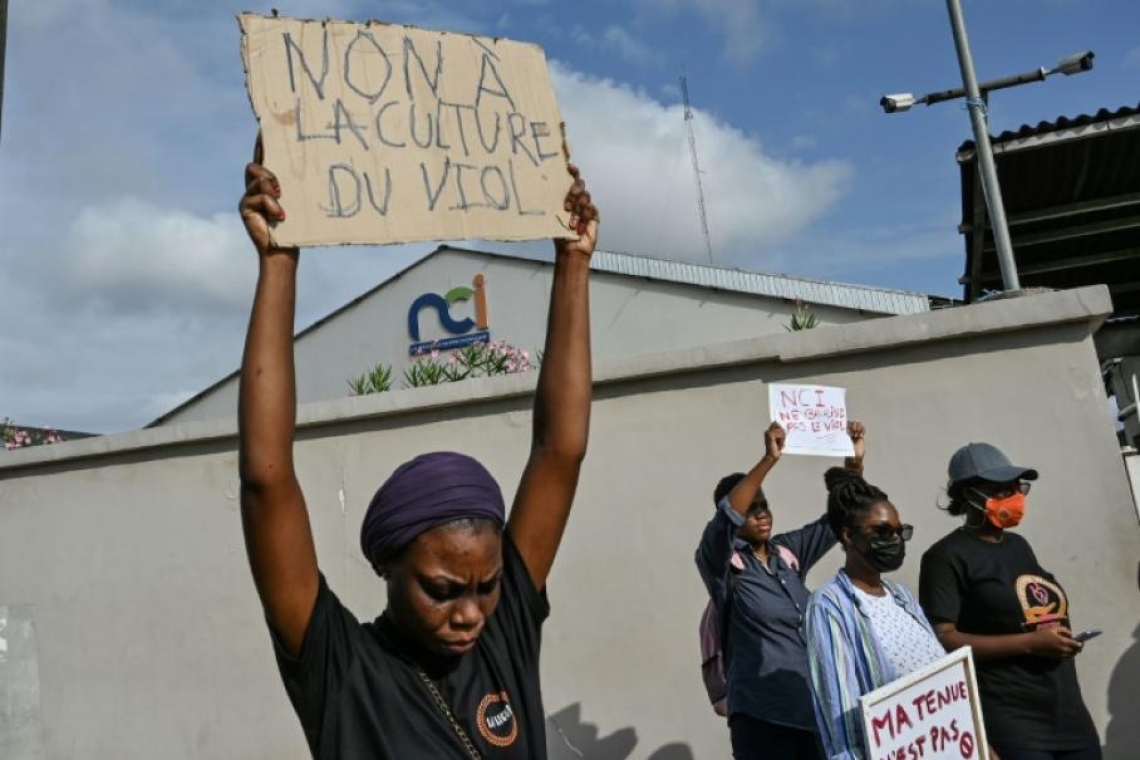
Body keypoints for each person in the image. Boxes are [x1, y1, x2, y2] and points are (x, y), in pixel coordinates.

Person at [236, 142, 599, 759]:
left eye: (486, 586)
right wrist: (278, 265)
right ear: (388, 566)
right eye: (441, 589)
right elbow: (267, 480)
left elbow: (559, 451)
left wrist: (573, 261)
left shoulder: (503, 629)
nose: (471, 613)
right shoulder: (341, 670)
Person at [919, 443, 1101, 760]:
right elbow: (942, 639)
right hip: (1014, 724)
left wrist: (1060, 640)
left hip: (1068, 716)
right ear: (969, 494)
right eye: (1001, 489)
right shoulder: (945, 557)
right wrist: (1030, 643)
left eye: (1017, 487)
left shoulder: (1019, 545)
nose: (1015, 496)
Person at [696, 420, 865, 760]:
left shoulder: (787, 554)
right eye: (750, 508)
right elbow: (727, 517)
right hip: (763, 719)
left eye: (764, 505)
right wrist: (769, 459)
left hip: (814, 711)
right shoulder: (723, 565)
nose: (761, 514)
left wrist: (854, 464)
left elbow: (835, 521)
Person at [805, 469, 947, 760]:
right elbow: (840, 716)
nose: (894, 539)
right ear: (848, 536)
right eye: (882, 532)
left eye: (899, 531)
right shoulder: (830, 604)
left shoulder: (901, 597)